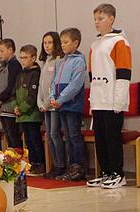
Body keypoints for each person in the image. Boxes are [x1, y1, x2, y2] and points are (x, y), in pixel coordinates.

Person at [86, 3, 132, 189]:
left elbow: (123, 74)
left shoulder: (120, 42)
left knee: (113, 137)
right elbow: (91, 75)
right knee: (101, 138)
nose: (97, 22)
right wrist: (92, 101)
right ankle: (105, 172)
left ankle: (118, 174)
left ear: (111, 19)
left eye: (101, 18)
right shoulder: (95, 44)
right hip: (98, 100)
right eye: (95, 19)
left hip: (113, 99)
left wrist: (119, 100)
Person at [49, 28, 87, 182]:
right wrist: (53, 96)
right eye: (62, 42)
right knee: (67, 137)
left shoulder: (79, 61)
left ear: (75, 43)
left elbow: (75, 84)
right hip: (61, 105)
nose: (62, 45)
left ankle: (78, 167)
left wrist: (61, 99)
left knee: (74, 135)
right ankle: (70, 166)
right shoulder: (61, 61)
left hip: (71, 104)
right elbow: (54, 82)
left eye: (66, 42)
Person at [37, 32, 68, 179]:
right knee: (49, 135)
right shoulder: (45, 62)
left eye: (50, 42)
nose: (47, 46)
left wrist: (49, 103)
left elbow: (55, 84)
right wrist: (40, 102)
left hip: (54, 104)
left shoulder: (59, 60)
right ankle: (55, 164)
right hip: (45, 105)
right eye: (45, 43)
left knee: (55, 134)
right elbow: (41, 85)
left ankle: (61, 165)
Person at [13, 45, 45, 175]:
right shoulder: (20, 74)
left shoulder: (36, 74)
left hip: (32, 114)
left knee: (35, 139)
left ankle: (40, 164)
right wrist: (16, 106)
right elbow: (16, 93)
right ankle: (32, 163)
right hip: (22, 114)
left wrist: (22, 108)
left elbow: (32, 95)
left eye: (25, 57)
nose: (22, 60)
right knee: (29, 141)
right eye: (21, 57)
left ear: (33, 57)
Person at [0, 38, 22, 150]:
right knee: (8, 137)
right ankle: (11, 161)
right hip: (2, 107)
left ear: (10, 50)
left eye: (2, 51)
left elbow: (11, 86)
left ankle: (18, 162)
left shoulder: (14, 64)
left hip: (10, 106)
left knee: (14, 137)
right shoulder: (3, 65)